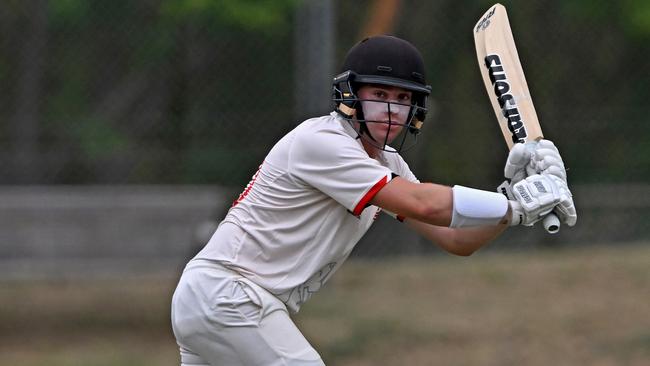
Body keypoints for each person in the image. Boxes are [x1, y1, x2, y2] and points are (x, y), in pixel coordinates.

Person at [170, 35, 577, 366]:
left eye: (403, 99)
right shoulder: (323, 142)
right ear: (350, 94)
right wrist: (516, 206)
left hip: (227, 305)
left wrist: (511, 201)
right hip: (231, 298)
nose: (392, 109)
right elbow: (425, 204)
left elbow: (456, 240)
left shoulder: (387, 165)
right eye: (380, 93)